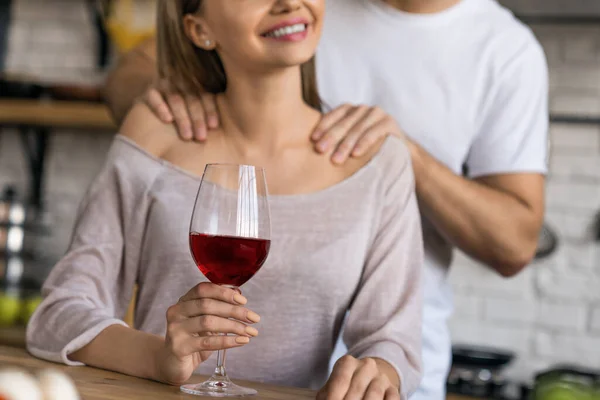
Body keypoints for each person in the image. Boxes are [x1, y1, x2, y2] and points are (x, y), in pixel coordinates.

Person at [104, 0, 549, 399]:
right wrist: (171, 104)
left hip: (385, 368)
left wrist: (405, 155)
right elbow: (132, 70)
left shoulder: (505, 50)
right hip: (223, 372)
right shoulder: (301, 9)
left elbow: (514, 245)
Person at [27, 1, 424, 399]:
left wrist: (373, 375)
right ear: (199, 29)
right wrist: (161, 358)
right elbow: (58, 316)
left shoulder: (378, 161)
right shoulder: (155, 137)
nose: (287, 2)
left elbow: (394, 344)